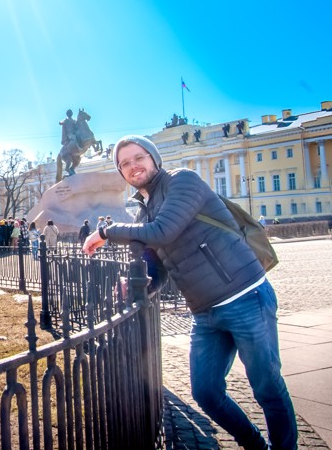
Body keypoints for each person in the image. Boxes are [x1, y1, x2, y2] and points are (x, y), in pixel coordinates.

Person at [82, 135, 296, 450]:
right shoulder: (143, 213)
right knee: (206, 392)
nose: (133, 166)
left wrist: (104, 232)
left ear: (154, 158)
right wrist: (138, 286)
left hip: (245, 295)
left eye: (138, 157)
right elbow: (160, 267)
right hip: (205, 312)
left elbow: (163, 232)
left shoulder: (184, 181)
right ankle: (255, 445)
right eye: (124, 163)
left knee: (266, 387)